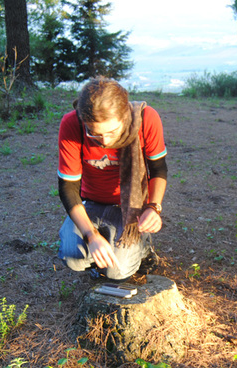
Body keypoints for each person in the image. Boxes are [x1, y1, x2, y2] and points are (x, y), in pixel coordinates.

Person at [56, 77, 168, 281]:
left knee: (117, 271)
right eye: (94, 133)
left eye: (112, 131)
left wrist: (153, 207)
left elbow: (158, 169)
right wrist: (91, 235)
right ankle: (102, 248)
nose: (105, 141)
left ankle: (142, 248)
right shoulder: (72, 124)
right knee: (73, 257)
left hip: (130, 208)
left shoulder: (146, 119)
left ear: (125, 115)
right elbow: (68, 188)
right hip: (91, 203)